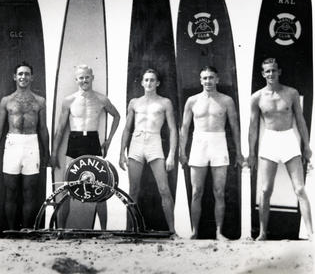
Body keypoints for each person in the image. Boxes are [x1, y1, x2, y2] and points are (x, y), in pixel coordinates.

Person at [248, 57, 313, 240]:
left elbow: (301, 121)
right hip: (269, 140)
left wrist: (307, 146)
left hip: (288, 139)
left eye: (273, 70)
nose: (271, 74)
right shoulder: (257, 97)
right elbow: (253, 127)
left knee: (300, 189)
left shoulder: (291, 93)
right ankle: (262, 233)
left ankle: (311, 233)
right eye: (267, 71)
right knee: (266, 190)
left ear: (279, 72)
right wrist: (251, 152)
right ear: (263, 74)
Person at [50, 64, 120, 228]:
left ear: (92, 77)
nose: (84, 80)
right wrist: (54, 154)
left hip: (93, 140)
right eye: (81, 77)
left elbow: (117, 116)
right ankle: (61, 229)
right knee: (68, 186)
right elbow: (60, 129)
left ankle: (103, 230)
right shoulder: (69, 100)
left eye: (87, 77)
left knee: (101, 185)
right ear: (76, 80)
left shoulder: (101, 99)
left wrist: (108, 140)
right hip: (74, 141)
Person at [180, 65, 243, 240]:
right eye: (205, 78)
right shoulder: (192, 101)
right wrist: (182, 151)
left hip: (219, 143)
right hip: (198, 144)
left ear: (217, 79)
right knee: (196, 191)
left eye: (211, 77)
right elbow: (184, 128)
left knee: (219, 191)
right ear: (201, 80)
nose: (208, 81)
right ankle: (194, 232)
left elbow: (235, 128)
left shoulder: (226, 100)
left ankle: (219, 231)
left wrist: (238, 152)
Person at [119, 68, 177, 234]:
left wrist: (171, 154)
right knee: (133, 190)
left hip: (154, 141)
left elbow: (173, 129)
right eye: (146, 80)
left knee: (164, 189)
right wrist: (121, 152)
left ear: (157, 83)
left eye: (152, 80)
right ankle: (129, 229)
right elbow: (127, 128)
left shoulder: (165, 102)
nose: (149, 83)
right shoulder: (134, 102)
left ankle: (172, 231)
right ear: (142, 82)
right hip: (136, 143)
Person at [0, 62, 50, 229]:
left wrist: (47, 153)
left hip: (31, 145)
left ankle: (26, 230)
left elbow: (43, 128)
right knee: (11, 191)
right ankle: (11, 231)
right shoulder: (6, 101)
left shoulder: (39, 101)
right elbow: (0, 128)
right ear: (15, 77)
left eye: (27, 74)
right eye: (20, 74)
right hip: (12, 144)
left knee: (30, 192)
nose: (23, 77)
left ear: (32, 77)